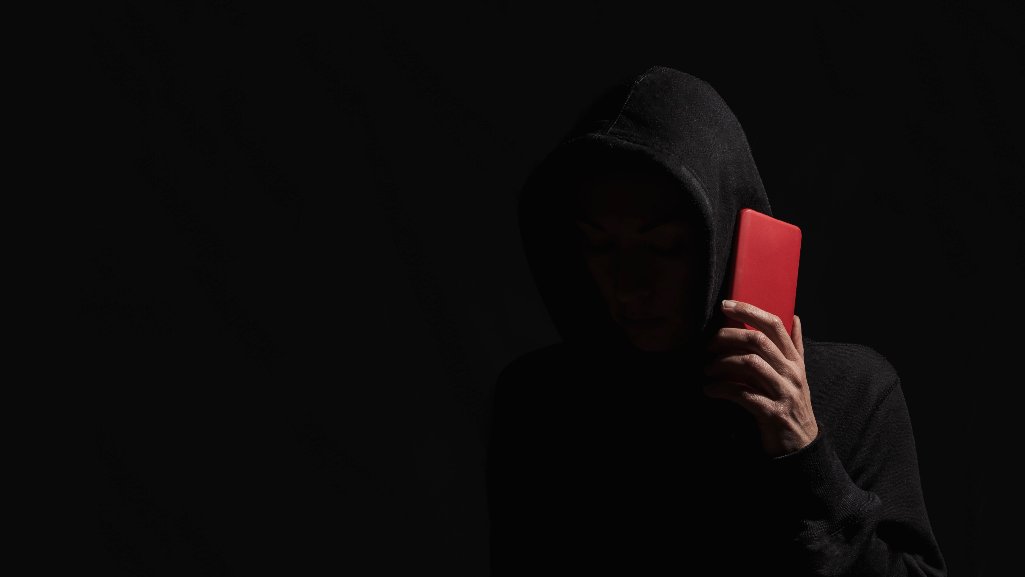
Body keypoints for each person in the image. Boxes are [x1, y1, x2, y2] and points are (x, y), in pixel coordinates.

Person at [485, 65, 947, 575]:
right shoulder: (537, 400)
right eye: (600, 245)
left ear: (726, 239)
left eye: (665, 247)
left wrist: (806, 461)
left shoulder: (855, 393)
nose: (629, 283)